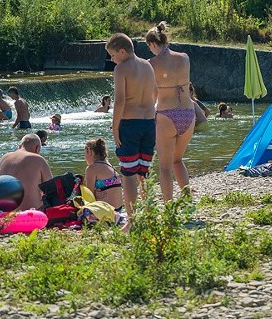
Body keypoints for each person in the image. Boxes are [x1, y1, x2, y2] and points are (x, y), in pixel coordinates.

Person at [106, 32, 157, 230]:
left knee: (128, 173)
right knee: (144, 171)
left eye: (112, 55)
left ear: (122, 51)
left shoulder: (121, 69)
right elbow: (155, 93)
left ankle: (132, 221)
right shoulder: (147, 65)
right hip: (148, 122)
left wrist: (115, 127)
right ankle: (150, 214)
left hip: (129, 124)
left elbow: (119, 101)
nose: (112, 60)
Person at [146, 21, 195, 204]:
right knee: (178, 161)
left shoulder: (151, 64)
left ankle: (168, 206)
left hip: (167, 115)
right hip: (188, 114)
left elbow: (153, 95)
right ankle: (188, 203)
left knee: (165, 167)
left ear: (152, 44)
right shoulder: (184, 58)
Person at [0, 133, 52, 211]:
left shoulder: (4, 158)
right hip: (30, 213)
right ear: (37, 148)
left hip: (4, 214)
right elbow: (51, 189)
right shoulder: (38, 159)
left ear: (19, 146)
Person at [84, 137, 124, 211]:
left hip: (105, 212)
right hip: (118, 210)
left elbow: (89, 196)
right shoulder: (110, 166)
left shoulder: (91, 169)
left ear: (90, 152)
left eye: (85, 154)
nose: (85, 157)